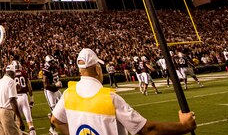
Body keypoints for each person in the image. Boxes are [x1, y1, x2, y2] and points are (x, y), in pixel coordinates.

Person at [50, 48, 197, 135]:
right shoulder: (109, 98)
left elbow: (55, 120)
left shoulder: (68, 94)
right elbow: (146, 130)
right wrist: (184, 126)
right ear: (96, 69)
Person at [0, 64, 24, 135]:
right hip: (6, 112)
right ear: (13, 73)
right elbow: (12, 100)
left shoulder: (0, 81)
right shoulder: (11, 81)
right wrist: (19, 118)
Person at [10, 60, 34, 135]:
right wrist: (31, 97)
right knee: (30, 122)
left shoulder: (11, 75)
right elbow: (29, 86)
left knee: (18, 122)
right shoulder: (24, 73)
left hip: (16, 98)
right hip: (24, 97)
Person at [42, 55, 62, 135]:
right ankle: (51, 129)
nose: (53, 63)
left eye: (53, 61)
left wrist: (58, 84)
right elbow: (46, 86)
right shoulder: (46, 71)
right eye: (51, 62)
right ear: (47, 63)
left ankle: (51, 114)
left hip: (56, 90)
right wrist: (55, 86)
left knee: (63, 105)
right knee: (56, 112)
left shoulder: (54, 67)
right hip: (50, 92)